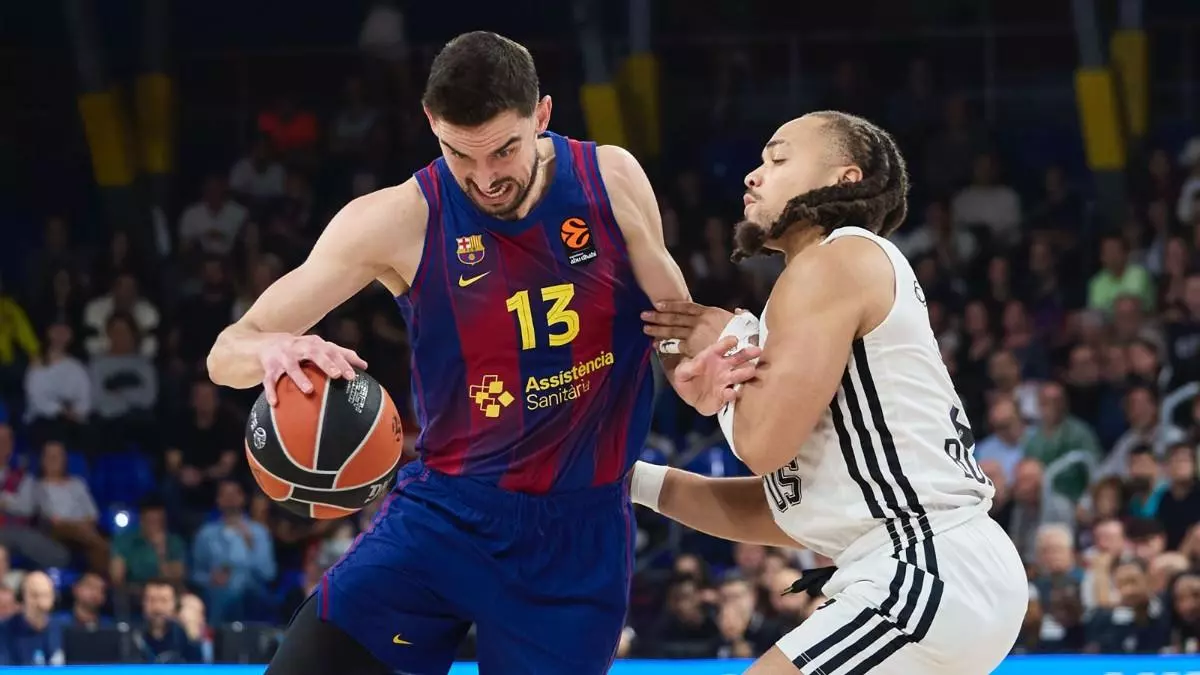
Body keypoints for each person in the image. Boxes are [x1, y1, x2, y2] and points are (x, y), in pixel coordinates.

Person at [206, 31, 690, 675]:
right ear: (431, 124)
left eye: (504, 150)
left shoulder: (610, 178)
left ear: (541, 115)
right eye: (460, 153)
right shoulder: (396, 218)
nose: (485, 178)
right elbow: (225, 353)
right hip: (446, 515)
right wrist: (272, 348)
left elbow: (677, 324)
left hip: (577, 537)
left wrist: (697, 366)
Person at [638, 111, 1027, 674]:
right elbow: (791, 508)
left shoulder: (835, 259)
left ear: (844, 179)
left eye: (779, 159)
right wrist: (632, 480)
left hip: (924, 563)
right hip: (939, 569)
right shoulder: (831, 280)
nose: (753, 175)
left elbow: (762, 445)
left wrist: (733, 348)